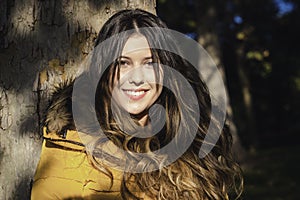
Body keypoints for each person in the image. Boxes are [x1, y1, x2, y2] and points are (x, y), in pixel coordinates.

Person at [31, 9, 243, 200]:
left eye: (150, 63)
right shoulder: (71, 146)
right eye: (123, 63)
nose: (137, 78)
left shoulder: (190, 143)